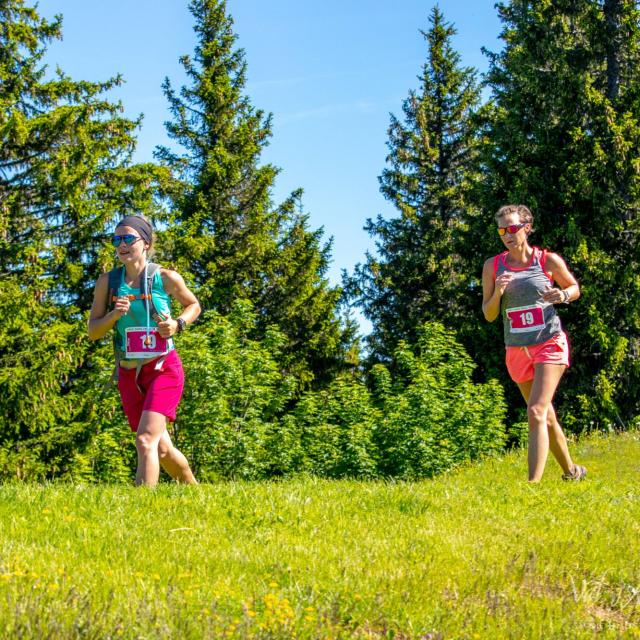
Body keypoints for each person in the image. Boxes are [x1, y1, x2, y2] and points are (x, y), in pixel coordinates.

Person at [88, 214, 200, 486]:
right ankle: (195, 491)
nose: (121, 245)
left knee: (145, 440)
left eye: (128, 238)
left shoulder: (165, 277)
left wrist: (177, 324)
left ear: (146, 243)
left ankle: (141, 509)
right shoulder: (108, 282)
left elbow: (193, 304)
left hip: (163, 369)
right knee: (160, 449)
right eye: (117, 239)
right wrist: (114, 315)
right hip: (128, 374)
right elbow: (93, 332)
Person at [481, 204, 587, 482]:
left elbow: (574, 288)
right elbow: (489, 314)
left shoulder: (546, 260)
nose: (507, 234)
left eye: (513, 228)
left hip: (548, 342)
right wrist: (499, 292)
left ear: (526, 227)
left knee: (536, 410)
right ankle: (572, 472)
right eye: (502, 230)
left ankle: (532, 486)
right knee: (545, 416)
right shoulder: (493, 266)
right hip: (516, 349)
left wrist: (562, 296)